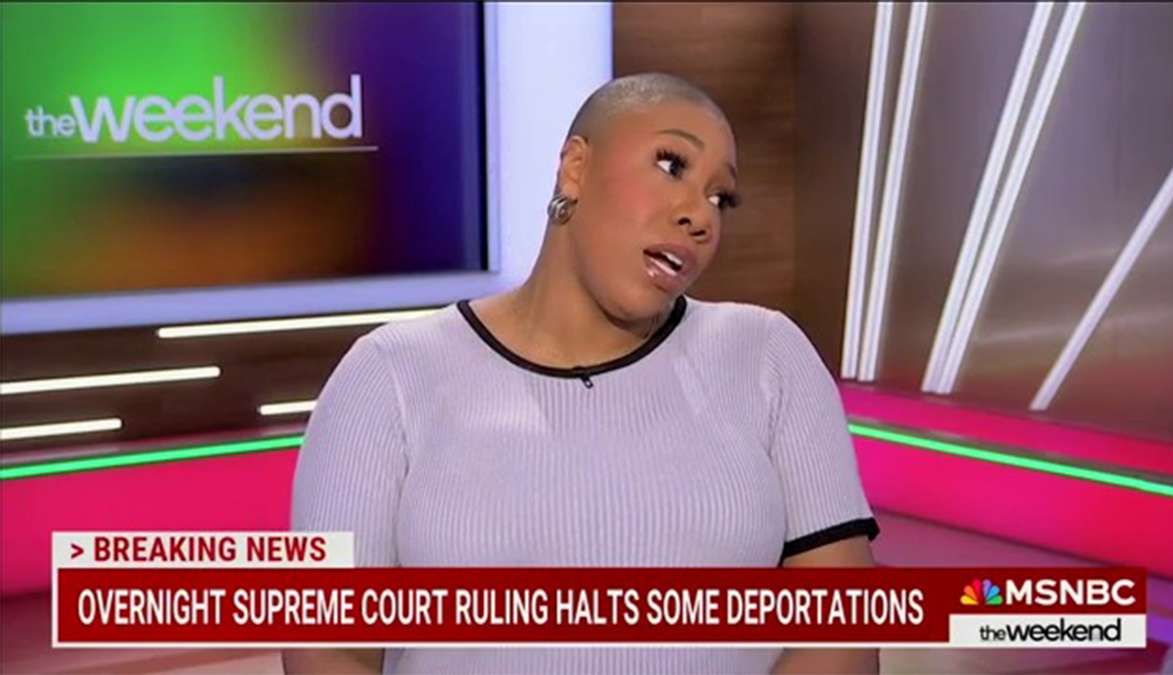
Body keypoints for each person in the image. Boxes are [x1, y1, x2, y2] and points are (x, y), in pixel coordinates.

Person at [284, 72, 881, 674]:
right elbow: (328, 649)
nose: (700, 216)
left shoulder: (767, 356)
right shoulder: (388, 375)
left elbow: (840, 638)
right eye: (672, 165)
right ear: (575, 168)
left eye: (720, 197)